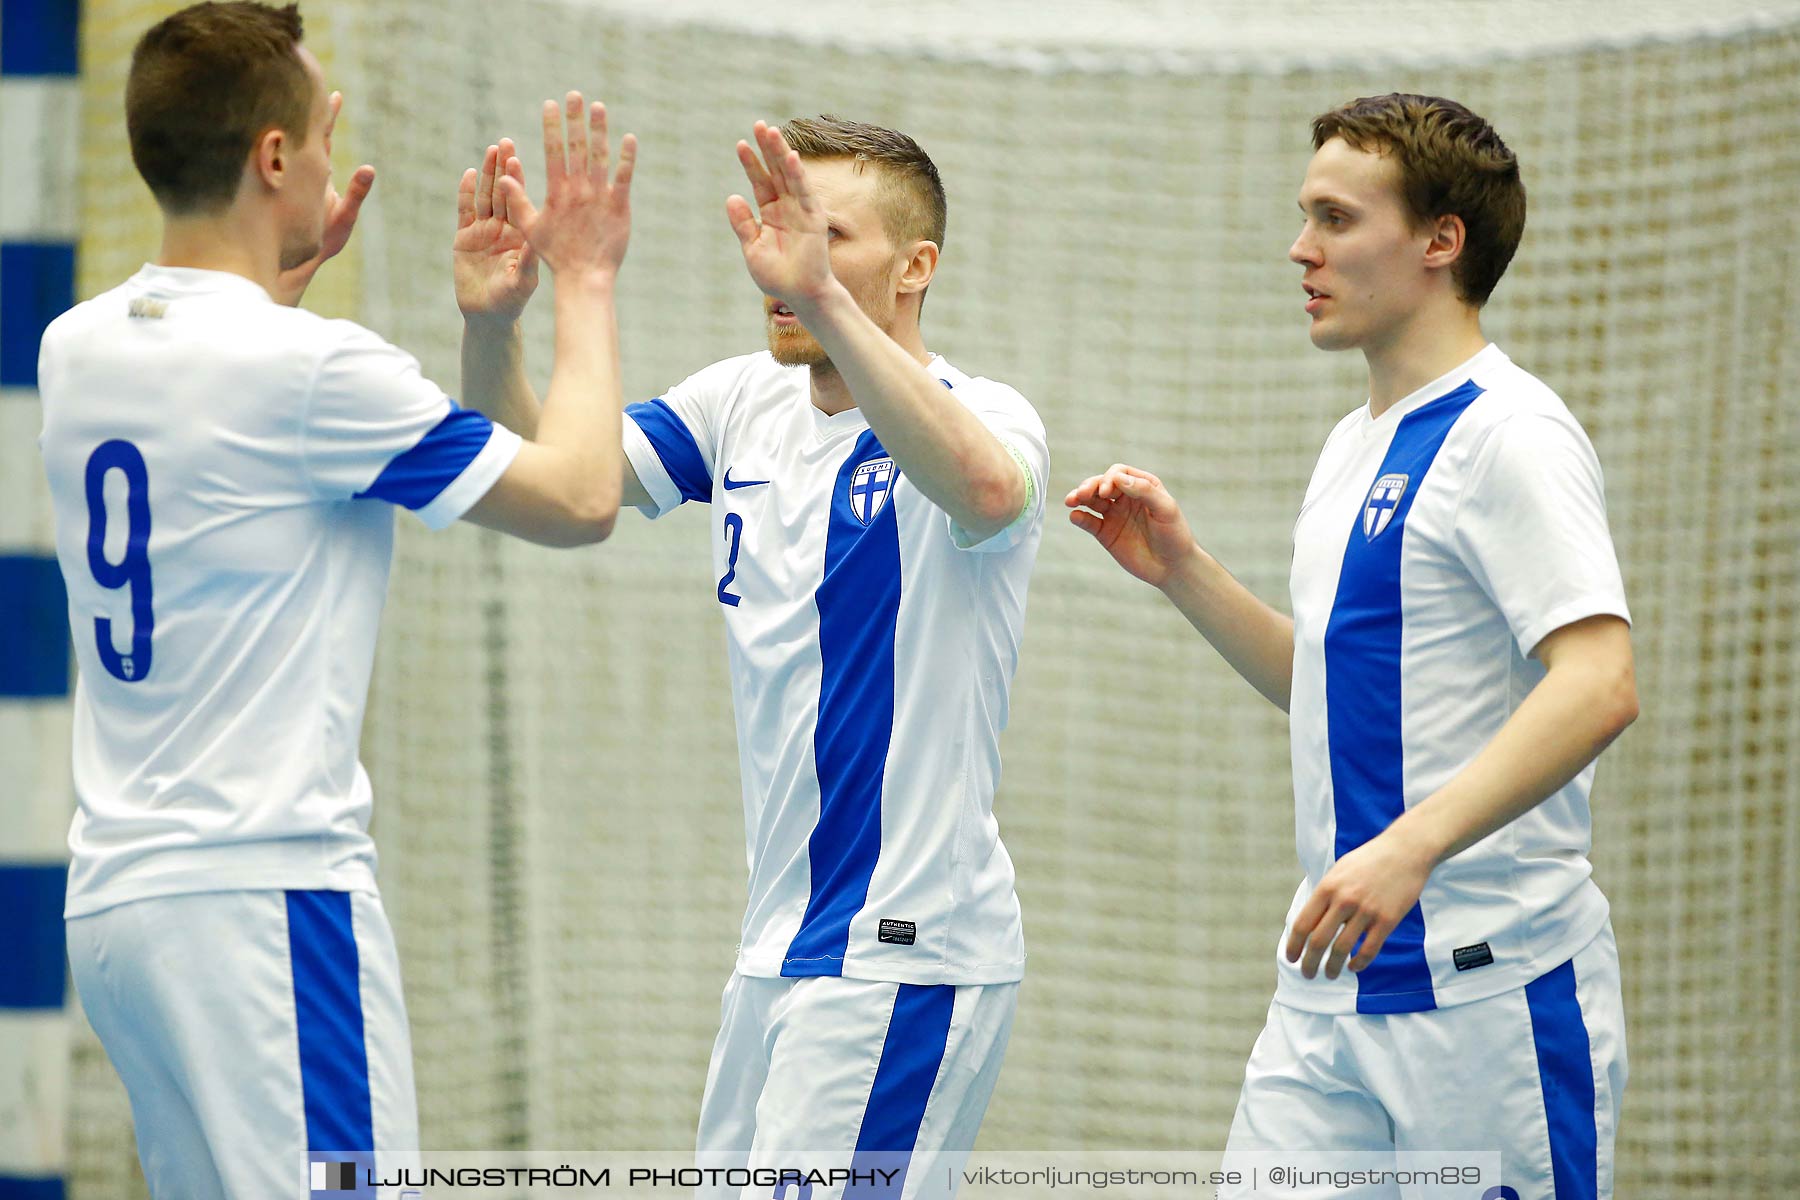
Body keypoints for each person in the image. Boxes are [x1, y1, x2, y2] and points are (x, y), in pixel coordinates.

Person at [39, 3, 636, 1195]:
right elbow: (580, 498)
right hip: (267, 908)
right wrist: (584, 279)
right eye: (321, 133)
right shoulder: (312, 373)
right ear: (271, 158)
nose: (328, 155)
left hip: (121, 911)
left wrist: (291, 295)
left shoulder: (78, 345)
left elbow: (231, 447)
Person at [456, 116, 1047, 1193]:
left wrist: (821, 297)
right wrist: (493, 333)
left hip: (900, 952)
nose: (784, 259)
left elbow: (988, 491)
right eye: (775, 225)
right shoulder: (738, 402)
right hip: (777, 950)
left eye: (825, 236)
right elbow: (549, 488)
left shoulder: (983, 413)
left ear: (917, 267)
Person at [1067, 94, 1636, 1199]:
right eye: (1304, 216)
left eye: (1335, 217)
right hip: (1327, 997)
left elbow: (1601, 682)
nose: (1301, 248)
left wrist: (1411, 846)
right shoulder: (1352, 445)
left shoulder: (1511, 434)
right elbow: (1339, 692)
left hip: (1491, 998)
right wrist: (1185, 570)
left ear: (1439, 241)